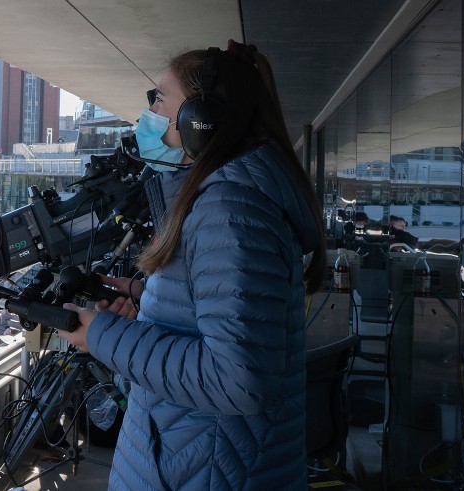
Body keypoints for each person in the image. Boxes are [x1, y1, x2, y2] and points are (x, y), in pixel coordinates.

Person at [56, 40, 325, 490]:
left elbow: (237, 379)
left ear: (201, 121)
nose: (150, 113)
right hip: (196, 458)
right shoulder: (225, 201)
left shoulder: (231, 209)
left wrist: (100, 335)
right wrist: (145, 300)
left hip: (202, 470)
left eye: (160, 99)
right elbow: (223, 314)